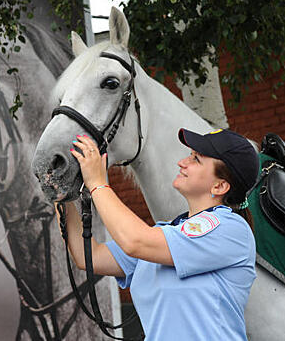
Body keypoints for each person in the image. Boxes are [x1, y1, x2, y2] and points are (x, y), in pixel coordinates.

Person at [57, 128, 259, 341]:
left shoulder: (230, 229)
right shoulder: (166, 234)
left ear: (219, 186)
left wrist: (97, 183)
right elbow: (89, 255)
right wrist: (61, 194)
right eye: (189, 155)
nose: (182, 162)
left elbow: (135, 241)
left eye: (197, 159)